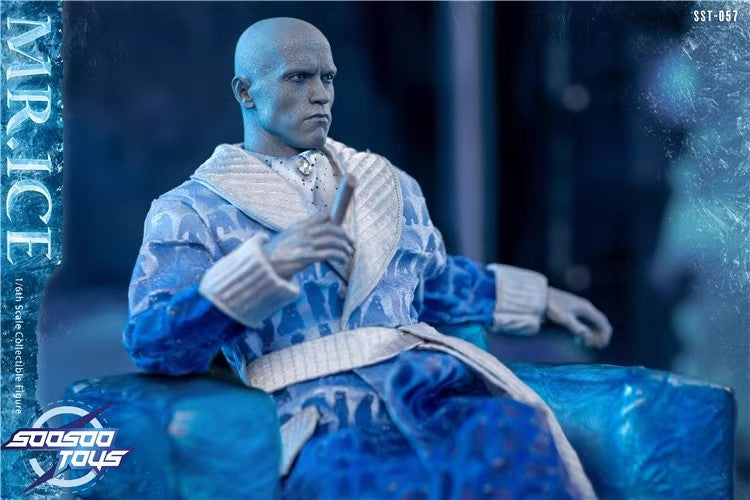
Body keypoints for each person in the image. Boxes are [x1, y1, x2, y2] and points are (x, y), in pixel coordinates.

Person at [124, 17, 612, 499]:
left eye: (328, 78)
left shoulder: (386, 182)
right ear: (246, 93)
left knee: (516, 439)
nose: (321, 94)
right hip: (314, 415)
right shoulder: (192, 211)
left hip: (428, 389)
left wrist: (540, 298)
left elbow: (434, 283)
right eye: (299, 78)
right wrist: (265, 267)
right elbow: (155, 342)